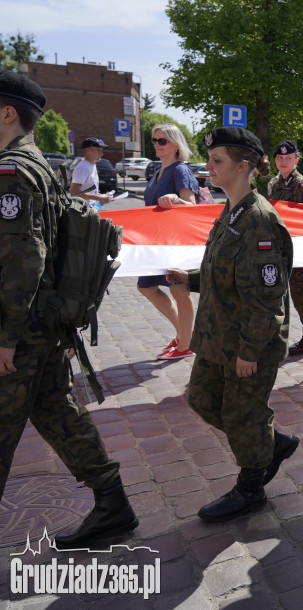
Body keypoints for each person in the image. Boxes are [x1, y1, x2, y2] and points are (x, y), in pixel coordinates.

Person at [0, 70, 137, 547]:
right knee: (57, 411)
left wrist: (7, 334)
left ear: (7, 113)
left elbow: (24, 257)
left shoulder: (12, 170)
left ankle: (113, 502)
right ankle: (112, 502)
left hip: (22, 329)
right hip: (46, 321)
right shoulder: (42, 164)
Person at [166, 127, 299, 522]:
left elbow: (267, 297)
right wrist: (188, 279)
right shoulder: (231, 211)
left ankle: (250, 487)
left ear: (243, 167)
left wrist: (250, 350)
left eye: (216, 161)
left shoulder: (259, 221)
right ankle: (271, 444)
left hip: (247, 343)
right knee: (202, 399)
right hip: (217, 337)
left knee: (243, 416)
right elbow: (225, 272)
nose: (207, 167)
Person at [139, 124, 200, 360]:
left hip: (175, 241)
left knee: (179, 289)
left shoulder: (180, 170)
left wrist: (175, 198)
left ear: (175, 145)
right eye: (154, 140)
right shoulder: (158, 171)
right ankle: (184, 334)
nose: (156, 144)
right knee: (146, 287)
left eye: (162, 141)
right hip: (156, 241)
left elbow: (192, 206)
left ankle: (185, 345)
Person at [267, 140, 303, 356]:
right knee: (276, 290)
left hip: (298, 246)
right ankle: (277, 335)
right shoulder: (274, 182)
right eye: (280, 158)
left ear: (296, 160)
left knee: (300, 292)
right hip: (279, 245)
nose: (284, 161)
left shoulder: (302, 184)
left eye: (288, 158)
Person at [70, 137, 114, 206]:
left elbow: (89, 191)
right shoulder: (83, 167)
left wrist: (102, 196)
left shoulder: (92, 165)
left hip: (90, 209)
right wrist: (98, 197)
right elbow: (74, 192)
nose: (102, 154)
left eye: (102, 151)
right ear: (87, 150)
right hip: (82, 211)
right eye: (98, 150)